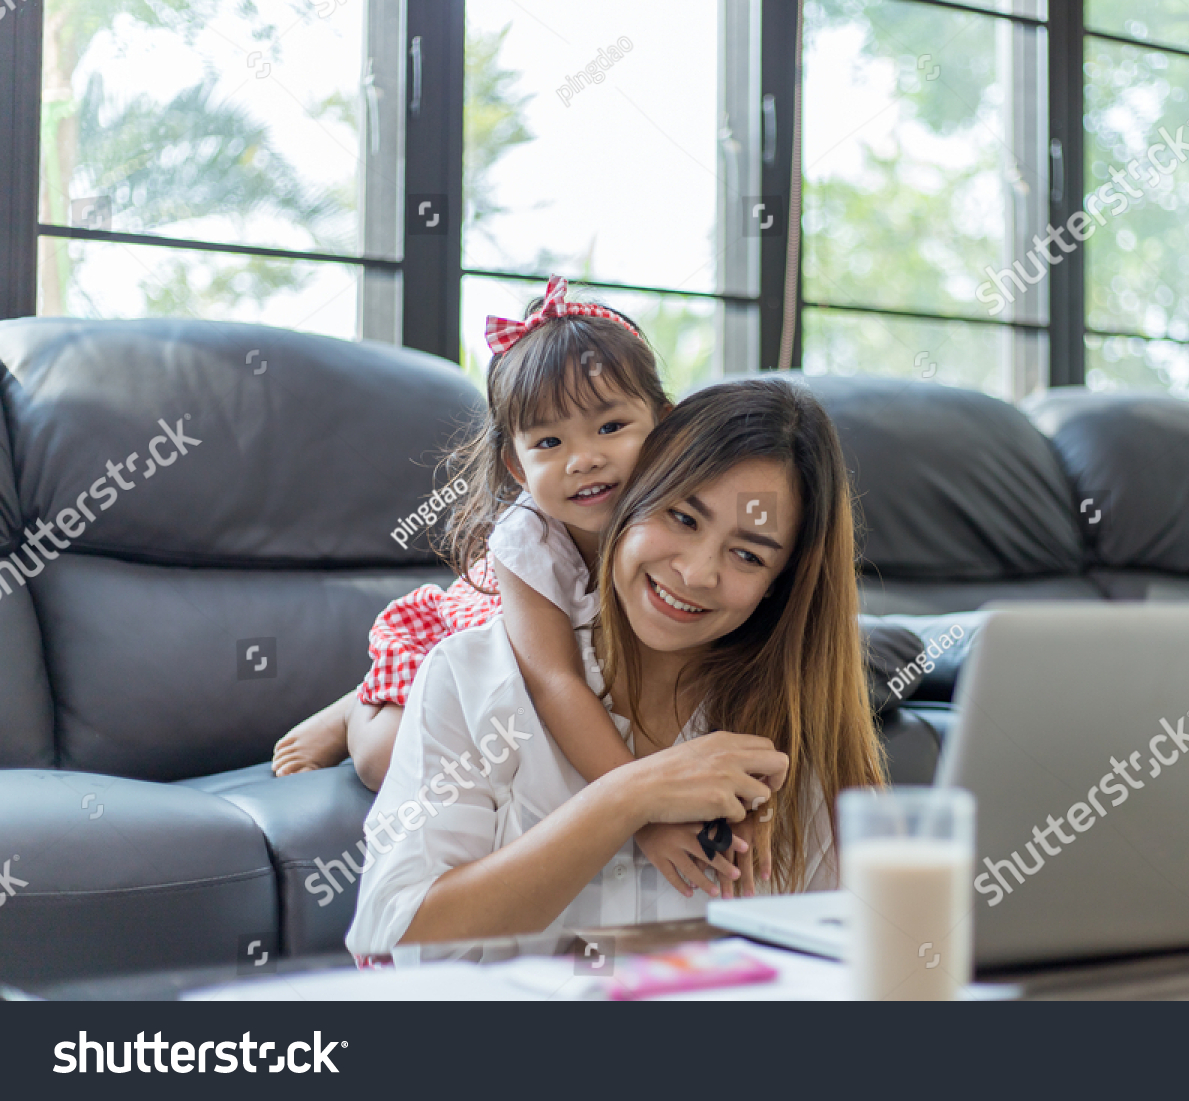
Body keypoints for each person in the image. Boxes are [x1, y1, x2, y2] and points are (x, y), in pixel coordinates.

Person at [345, 377, 885, 955]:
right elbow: (395, 928)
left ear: (779, 584)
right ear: (631, 495)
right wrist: (629, 797)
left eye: (748, 555)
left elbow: (853, 962)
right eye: (682, 518)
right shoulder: (472, 676)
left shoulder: (799, 735)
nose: (697, 573)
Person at [276, 276, 751, 894]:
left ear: (664, 423)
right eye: (549, 442)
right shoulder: (527, 537)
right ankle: (361, 706)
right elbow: (553, 680)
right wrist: (645, 812)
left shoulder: (683, 510)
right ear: (516, 466)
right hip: (480, 652)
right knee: (382, 758)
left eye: (611, 426)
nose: (584, 458)